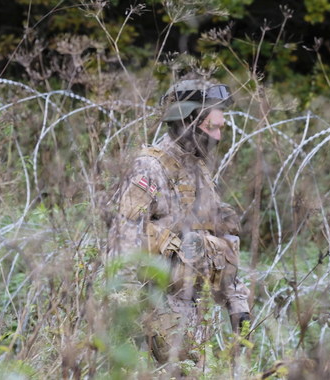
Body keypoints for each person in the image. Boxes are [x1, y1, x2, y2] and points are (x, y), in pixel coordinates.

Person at [108, 77, 251, 364]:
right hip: (155, 305)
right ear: (187, 122)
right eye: (213, 128)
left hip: (192, 306)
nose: (218, 137)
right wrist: (125, 314)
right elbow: (123, 241)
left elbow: (222, 240)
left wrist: (238, 303)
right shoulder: (149, 169)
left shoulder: (197, 171)